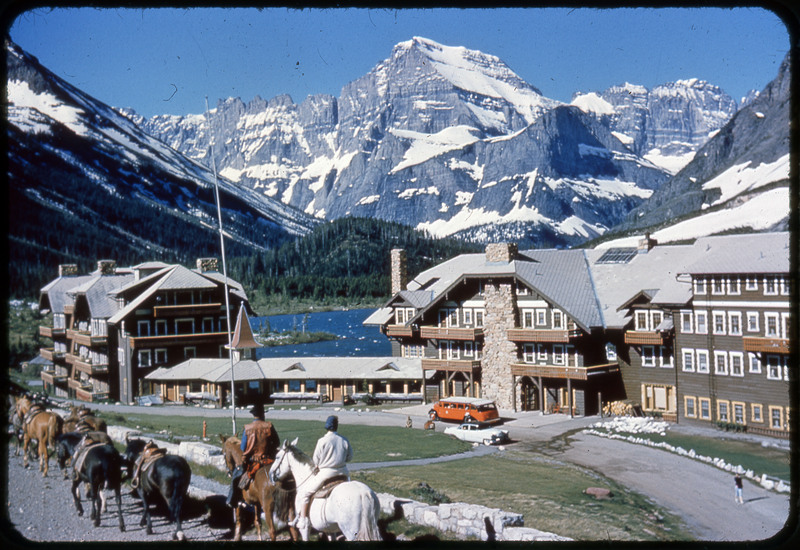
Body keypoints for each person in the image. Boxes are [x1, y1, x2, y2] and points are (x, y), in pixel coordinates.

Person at [290, 415, 353, 533]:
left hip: (326, 474)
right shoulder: (344, 440)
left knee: (304, 493)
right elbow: (350, 457)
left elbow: (316, 460)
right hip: (344, 474)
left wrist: (323, 463)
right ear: (336, 426)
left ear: (327, 426)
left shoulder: (322, 441)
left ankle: (303, 521)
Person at [226, 403, 280, 507]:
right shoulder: (269, 426)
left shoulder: (247, 428)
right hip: (269, 460)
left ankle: (234, 500)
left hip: (252, 461)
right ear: (263, 415)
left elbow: (242, 448)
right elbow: (277, 442)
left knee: (236, 477)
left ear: (253, 416)